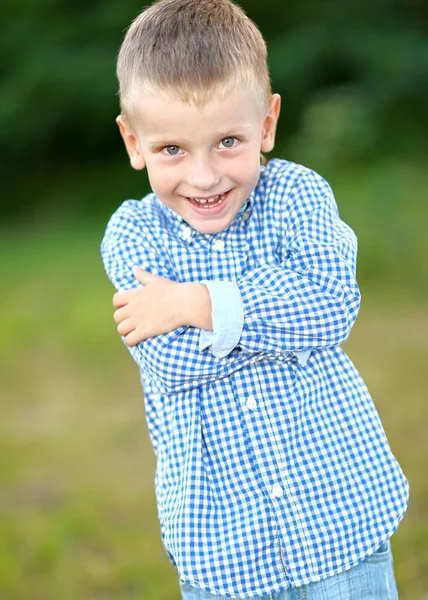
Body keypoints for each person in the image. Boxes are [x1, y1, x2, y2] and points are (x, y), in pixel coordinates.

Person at [100, 0, 409, 598]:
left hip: (341, 516)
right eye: (172, 151)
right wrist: (280, 323)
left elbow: (330, 304)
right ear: (133, 141)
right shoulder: (133, 234)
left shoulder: (295, 195)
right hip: (224, 545)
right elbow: (168, 360)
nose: (204, 176)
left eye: (228, 141)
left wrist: (195, 304)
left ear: (266, 125)